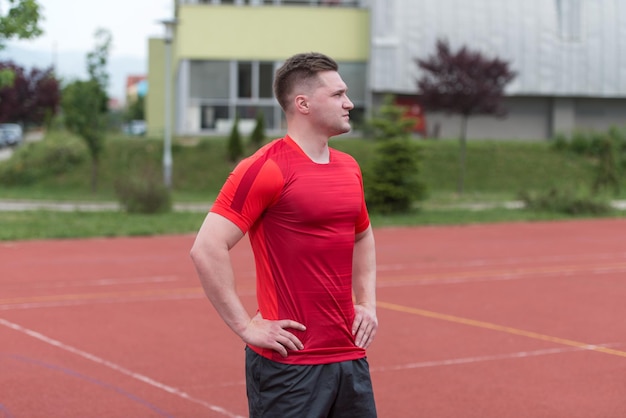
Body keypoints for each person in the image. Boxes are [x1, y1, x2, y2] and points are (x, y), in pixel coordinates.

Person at [190, 52, 378, 418]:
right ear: (303, 103)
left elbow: (362, 236)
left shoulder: (349, 167)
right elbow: (206, 247)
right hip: (289, 365)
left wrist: (367, 303)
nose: (349, 102)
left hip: (349, 358)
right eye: (338, 94)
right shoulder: (266, 167)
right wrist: (245, 326)